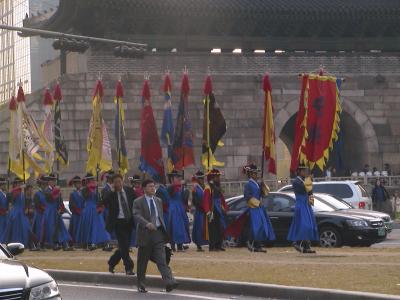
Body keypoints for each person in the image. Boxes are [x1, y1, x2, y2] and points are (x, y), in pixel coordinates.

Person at [133, 179, 178, 293]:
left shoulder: (158, 200)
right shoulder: (138, 201)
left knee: (161, 259)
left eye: (153, 186)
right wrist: (146, 224)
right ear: (144, 188)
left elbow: (160, 217)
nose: (153, 188)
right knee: (143, 261)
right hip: (145, 234)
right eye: (150, 186)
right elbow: (136, 215)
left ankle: (169, 281)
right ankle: (141, 284)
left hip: (158, 233)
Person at [105, 173, 135, 275]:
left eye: (119, 181)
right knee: (124, 246)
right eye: (116, 182)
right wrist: (111, 192)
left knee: (124, 246)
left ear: (123, 181)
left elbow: (135, 203)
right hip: (118, 222)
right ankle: (129, 267)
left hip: (129, 221)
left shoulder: (129, 191)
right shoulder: (111, 194)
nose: (118, 184)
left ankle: (112, 262)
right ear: (113, 184)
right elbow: (103, 202)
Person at [242, 164, 275, 252]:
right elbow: (247, 196)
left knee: (261, 226)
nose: (257, 175)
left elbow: (265, 194)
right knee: (256, 226)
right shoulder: (248, 184)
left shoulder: (258, 184)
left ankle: (258, 245)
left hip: (259, 208)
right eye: (255, 173)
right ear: (252, 174)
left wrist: (263, 185)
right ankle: (251, 242)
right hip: (253, 208)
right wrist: (257, 203)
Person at [287, 165, 319, 254]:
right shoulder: (296, 182)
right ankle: (297, 242)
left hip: (306, 205)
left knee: (310, 225)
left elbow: (310, 191)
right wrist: (309, 180)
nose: (306, 173)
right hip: (301, 205)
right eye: (304, 171)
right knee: (304, 225)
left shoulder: (305, 180)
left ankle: (306, 246)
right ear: (300, 172)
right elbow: (303, 188)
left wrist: (311, 200)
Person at [156, 170, 190, 252]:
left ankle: (180, 245)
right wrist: (180, 183)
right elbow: (171, 189)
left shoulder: (180, 188)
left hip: (180, 208)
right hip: (173, 209)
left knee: (182, 226)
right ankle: (173, 245)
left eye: (178, 177)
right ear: (171, 178)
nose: (178, 178)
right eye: (176, 177)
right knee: (175, 226)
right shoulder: (170, 187)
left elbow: (183, 198)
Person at [77, 173, 111, 250]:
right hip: (88, 210)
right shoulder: (84, 189)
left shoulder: (96, 189)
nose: (93, 181)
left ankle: (104, 242)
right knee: (90, 226)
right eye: (91, 180)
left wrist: (100, 205)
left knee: (100, 226)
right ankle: (90, 242)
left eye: (93, 179)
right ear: (88, 181)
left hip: (96, 209)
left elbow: (99, 199)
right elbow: (85, 197)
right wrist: (90, 188)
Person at [0, 177, 35, 248]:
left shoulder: (22, 193)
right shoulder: (14, 191)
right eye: (19, 183)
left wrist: (25, 208)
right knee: (16, 229)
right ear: (16, 184)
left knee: (26, 227)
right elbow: (12, 198)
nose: (20, 184)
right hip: (15, 213)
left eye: (21, 183)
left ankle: (29, 243)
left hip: (21, 213)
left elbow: (24, 202)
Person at [42, 173, 72, 251]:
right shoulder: (46, 190)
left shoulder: (56, 190)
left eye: (54, 180)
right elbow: (51, 197)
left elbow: (59, 200)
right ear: (49, 182)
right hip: (50, 211)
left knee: (61, 228)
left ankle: (65, 244)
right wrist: (56, 190)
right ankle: (53, 244)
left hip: (56, 211)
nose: (54, 182)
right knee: (52, 229)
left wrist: (61, 208)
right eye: (52, 181)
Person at [202, 169, 228, 252]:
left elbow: (221, 199)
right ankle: (212, 246)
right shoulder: (208, 188)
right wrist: (208, 212)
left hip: (218, 210)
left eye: (218, 177)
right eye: (217, 177)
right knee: (212, 229)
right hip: (212, 210)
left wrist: (224, 208)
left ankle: (218, 245)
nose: (218, 178)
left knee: (219, 228)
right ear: (212, 178)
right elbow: (206, 200)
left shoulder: (217, 187)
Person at [191, 171, 208, 252]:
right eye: (200, 178)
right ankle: (198, 245)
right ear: (197, 179)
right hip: (199, 210)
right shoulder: (195, 188)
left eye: (202, 178)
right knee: (199, 228)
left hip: (205, 210)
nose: (202, 180)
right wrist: (201, 206)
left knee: (205, 228)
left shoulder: (205, 187)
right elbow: (195, 200)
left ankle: (205, 242)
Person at [32, 176, 47, 250]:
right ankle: (38, 244)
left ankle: (43, 244)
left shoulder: (46, 193)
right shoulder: (37, 194)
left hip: (45, 214)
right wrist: (44, 208)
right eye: (43, 184)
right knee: (38, 229)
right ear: (40, 185)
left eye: (45, 184)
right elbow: (37, 204)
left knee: (44, 230)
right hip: (39, 214)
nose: (44, 186)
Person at [68, 176, 85, 245]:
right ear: (75, 184)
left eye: (79, 183)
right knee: (75, 228)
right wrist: (77, 211)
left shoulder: (83, 193)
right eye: (77, 183)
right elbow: (71, 205)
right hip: (76, 215)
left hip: (82, 214)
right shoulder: (72, 194)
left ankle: (82, 241)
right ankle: (75, 242)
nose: (79, 184)